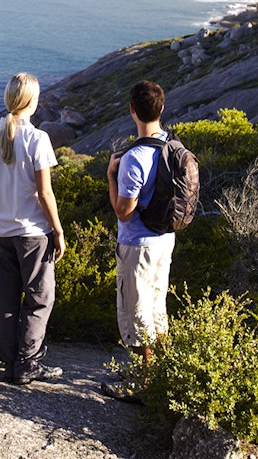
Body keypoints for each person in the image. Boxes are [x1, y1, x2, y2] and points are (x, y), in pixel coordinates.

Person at [0, 72, 66, 385]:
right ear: (32, 102)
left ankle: (9, 363)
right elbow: (45, 193)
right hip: (33, 234)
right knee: (39, 299)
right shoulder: (37, 139)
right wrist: (58, 230)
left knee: (5, 299)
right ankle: (28, 365)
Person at [103, 80, 174, 398]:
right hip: (165, 240)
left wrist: (110, 178)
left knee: (135, 313)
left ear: (132, 111)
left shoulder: (135, 157)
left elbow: (123, 212)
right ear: (161, 109)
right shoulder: (172, 147)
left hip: (138, 245)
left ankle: (143, 386)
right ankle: (163, 375)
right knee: (157, 308)